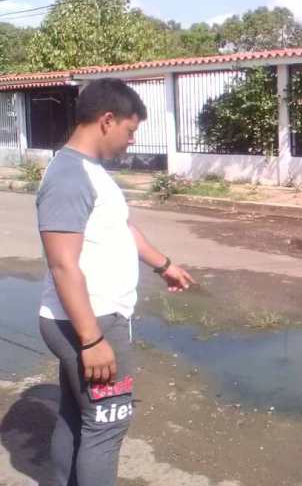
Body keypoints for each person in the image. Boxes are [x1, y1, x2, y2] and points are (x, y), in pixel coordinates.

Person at [37, 78, 195, 485]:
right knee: (106, 425)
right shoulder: (69, 176)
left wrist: (164, 266)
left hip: (92, 317)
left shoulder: (88, 171)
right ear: (107, 120)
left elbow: (121, 228)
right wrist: (91, 340)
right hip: (91, 320)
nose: (131, 142)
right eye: (130, 131)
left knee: (78, 416)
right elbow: (62, 265)